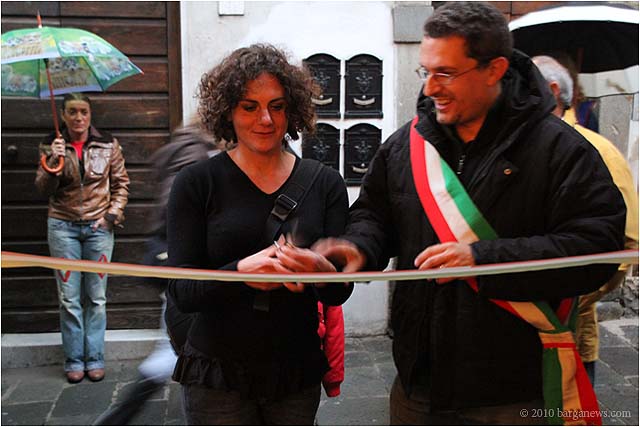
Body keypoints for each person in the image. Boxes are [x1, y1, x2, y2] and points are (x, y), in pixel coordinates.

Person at [314, 2, 626, 425]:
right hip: (418, 384)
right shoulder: (406, 145)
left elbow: (597, 249)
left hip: (513, 392)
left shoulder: (561, 149)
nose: (430, 89)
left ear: (494, 69)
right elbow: (374, 214)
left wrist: (483, 258)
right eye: (425, 71)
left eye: (445, 73)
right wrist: (358, 248)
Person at [166, 44, 353, 425]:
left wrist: (322, 272)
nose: (265, 119)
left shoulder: (325, 183)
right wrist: (241, 273)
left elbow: (339, 292)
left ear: (292, 109)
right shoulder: (196, 182)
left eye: (277, 106)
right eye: (249, 106)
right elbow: (182, 291)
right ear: (228, 111)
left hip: (294, 371)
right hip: (218, 372)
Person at [94, 121, 220, 425]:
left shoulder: (184, 149)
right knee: (183, 348)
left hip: (177, 263)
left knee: (178, 346)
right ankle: (120, 417)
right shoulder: (197, 156)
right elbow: (184, 209)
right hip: (187, 266)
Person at [532, 55, 639, 384]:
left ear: (551, 91)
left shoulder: (598, 151)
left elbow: (626, 245)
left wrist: (566, 295)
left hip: (566, 325)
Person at [35, 92, 130, 384]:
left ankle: (95, 358)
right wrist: (54, 160)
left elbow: (121, 184)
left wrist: (110, 217)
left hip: (98, 229)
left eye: (83, 112)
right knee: (69, 298)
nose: (78, 118)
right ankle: (75, 359)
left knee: (97, 297)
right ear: (63, 115)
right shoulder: (50, 144)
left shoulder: (108, 144)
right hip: (62, 227)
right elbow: (43, 189)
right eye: (72, 112)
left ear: (90, 115)